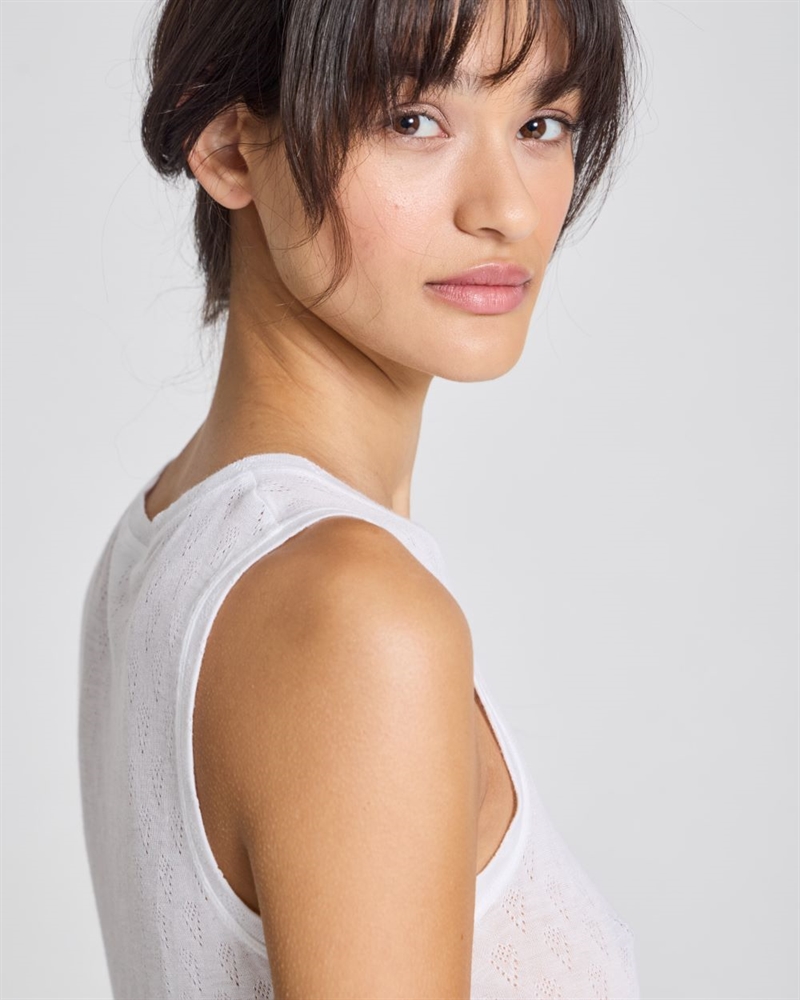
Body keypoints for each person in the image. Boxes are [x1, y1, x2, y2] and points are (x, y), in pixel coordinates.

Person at [78, 0, 642, 996]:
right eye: (412, 120)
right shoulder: (354, 615)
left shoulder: (167, 531)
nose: (506, 210)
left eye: (541, 123)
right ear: (229, 144)